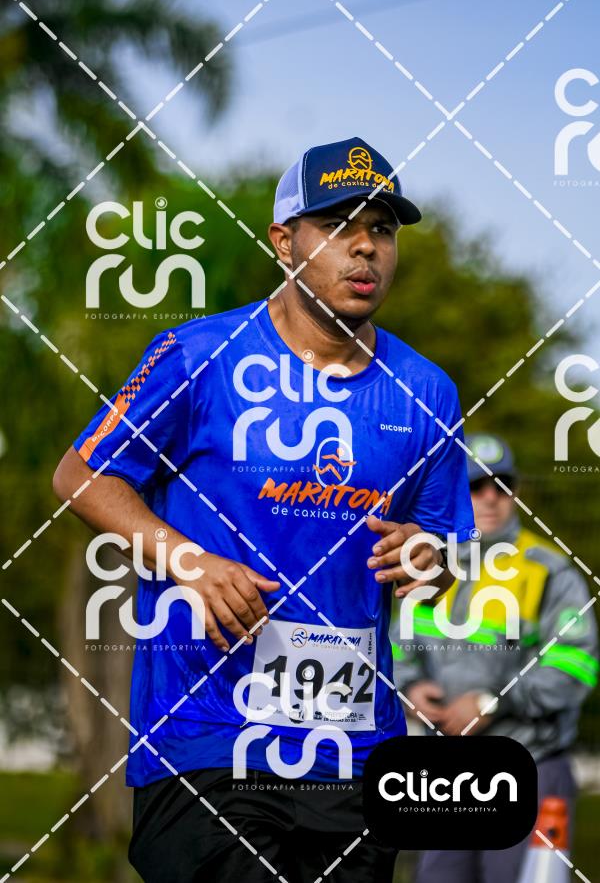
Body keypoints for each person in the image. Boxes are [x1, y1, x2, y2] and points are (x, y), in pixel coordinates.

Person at [53, 136, 474, 882]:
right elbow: (81, 474)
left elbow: (443, 554)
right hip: (209, 737)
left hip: (354, 753)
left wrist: (428, 560)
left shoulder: (427, 392)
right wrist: (191, 562)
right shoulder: (198, 356)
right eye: (338, 227)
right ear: (285, 242)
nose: (366, 249)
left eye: (382, 230)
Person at [392, 433, 599, 883]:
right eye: (476, 484)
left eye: (502, 485)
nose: (490, 496)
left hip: (533, 765)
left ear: (515, 492)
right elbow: (398, 645)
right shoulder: (433, 566)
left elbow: (576, 664)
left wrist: (493, 701)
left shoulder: (550, 570)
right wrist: (410, 688)